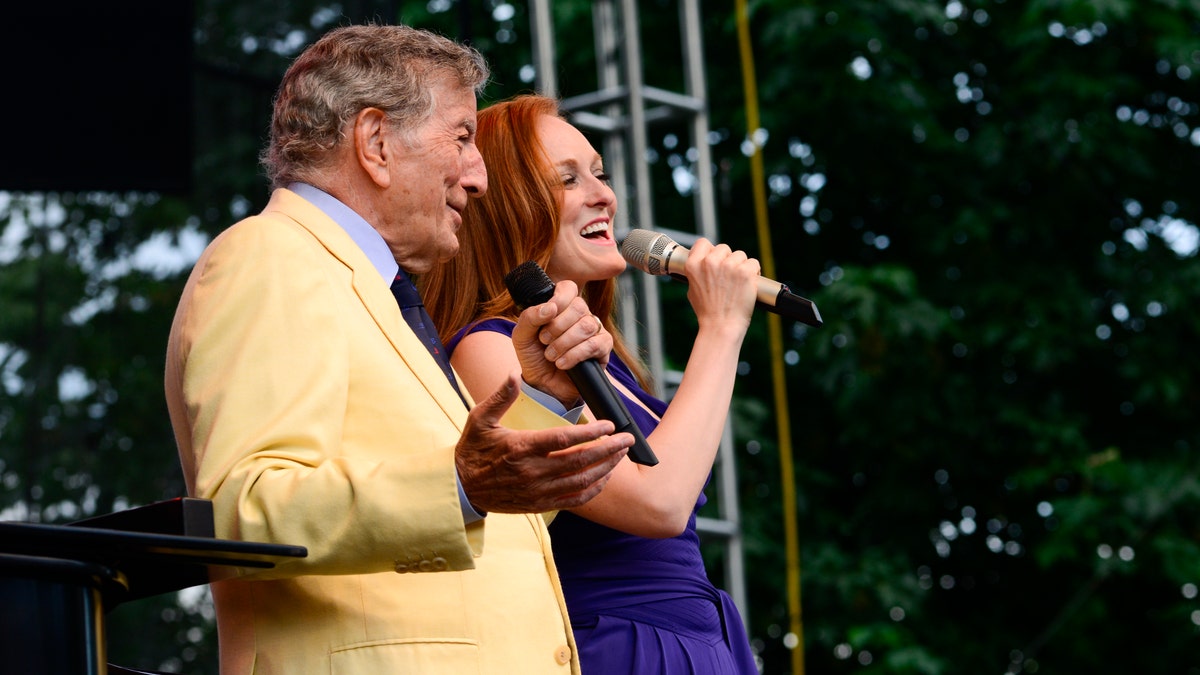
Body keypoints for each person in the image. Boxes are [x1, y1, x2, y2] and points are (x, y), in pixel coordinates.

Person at [163, 26, 635, 675]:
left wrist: (538, 401)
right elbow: (243, 513)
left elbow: (483, 523)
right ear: (376, 142)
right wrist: (459, 485)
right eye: (463, 138)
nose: (478, 176)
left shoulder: (377, 292)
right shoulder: (270, 255)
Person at [422, 94, 760, 674]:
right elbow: (659, 502)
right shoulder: (488, 346)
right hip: (620, 648)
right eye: (567, 179)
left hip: (691, 642)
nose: (603, 194)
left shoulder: (608, 362)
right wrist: (722, 328)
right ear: (506, 204)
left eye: (600, 174)